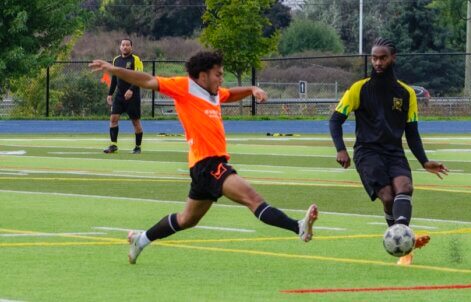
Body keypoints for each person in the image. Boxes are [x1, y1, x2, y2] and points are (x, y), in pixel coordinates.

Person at [89, 50, 318, 264]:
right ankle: (298, 227)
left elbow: (229, 95)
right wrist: (114, 70)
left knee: (186, 219)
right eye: (218, 75)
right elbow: (147, 80)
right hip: (209, 164)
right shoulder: (184, 87)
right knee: (253, 199)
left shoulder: (215, 93)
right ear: (202, 75)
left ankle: (141, 240)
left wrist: (251, 89)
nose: (221, 79)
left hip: (203, 167)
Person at [328, 37, 448, 265]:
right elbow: (335, 121)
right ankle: (405, 243)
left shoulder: (406, 93)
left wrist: (424, 161)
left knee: (406, 188)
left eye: (383, 58)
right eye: (374, 58)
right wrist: (341, 149)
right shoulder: (358, 89)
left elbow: (411, 132)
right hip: (367, 152)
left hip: (394, 151)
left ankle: (405, 244)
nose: (378, 62)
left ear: (393, 58)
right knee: (387, 196)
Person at [104, 38, 144, 154]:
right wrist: (110, 93)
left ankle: (137, 146)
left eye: (127, 45)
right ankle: (113, 145)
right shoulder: (116, 60)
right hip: (120, 96)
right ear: (120, 47)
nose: (125, 47)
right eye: (123, 45)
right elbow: (115, 78)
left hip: (133, 96)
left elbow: (139, 76)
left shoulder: (135, 59)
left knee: (135, 122)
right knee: (113, 118)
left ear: (131, 47)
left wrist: (131, 90)